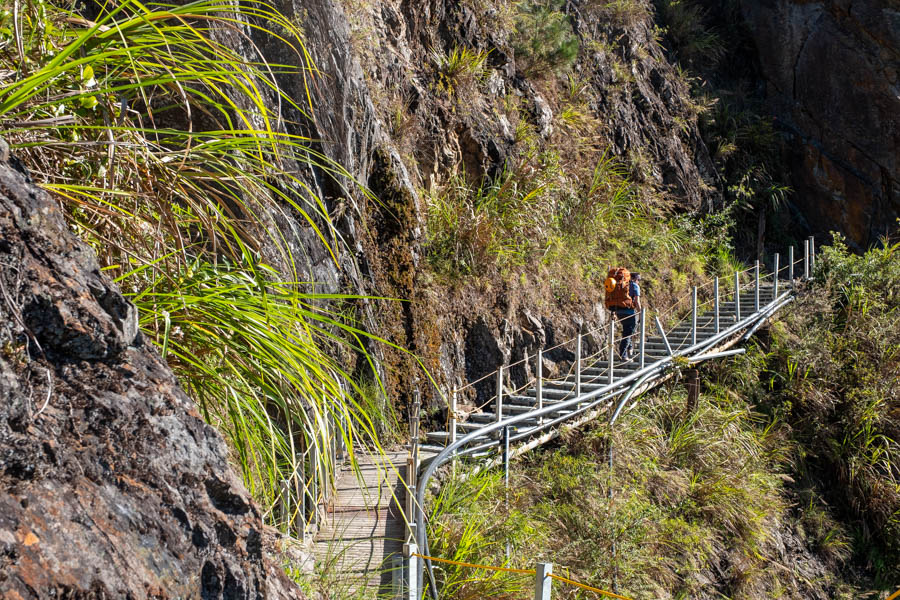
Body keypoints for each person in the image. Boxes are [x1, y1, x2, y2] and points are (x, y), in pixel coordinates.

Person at [615, 272, 642, 361]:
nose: (639, 282)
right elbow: (637, 302)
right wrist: (640, 313)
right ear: (634, 279)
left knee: (627, 330)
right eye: (639, 279)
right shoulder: (635, 286)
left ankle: (630, 348)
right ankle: (623, 355)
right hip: (629, 312)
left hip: (619, 312)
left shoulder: (622, 285)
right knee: (628, 333)